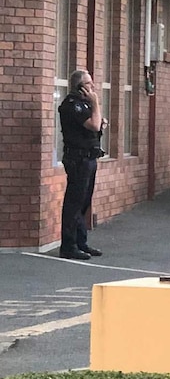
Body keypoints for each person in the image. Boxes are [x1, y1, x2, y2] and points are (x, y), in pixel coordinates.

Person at [58, 69, 105, 259]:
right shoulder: (72, 105)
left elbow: (97, 125)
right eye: (88, 84)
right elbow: (94, 125)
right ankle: (68, 246)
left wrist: (97, 115)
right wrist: (95, 103)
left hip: (89, 157)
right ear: (79, 87)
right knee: (74, 203)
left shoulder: (85, 105)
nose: (92, 87)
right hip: (77, 159)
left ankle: (80, 242)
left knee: (84, 203)